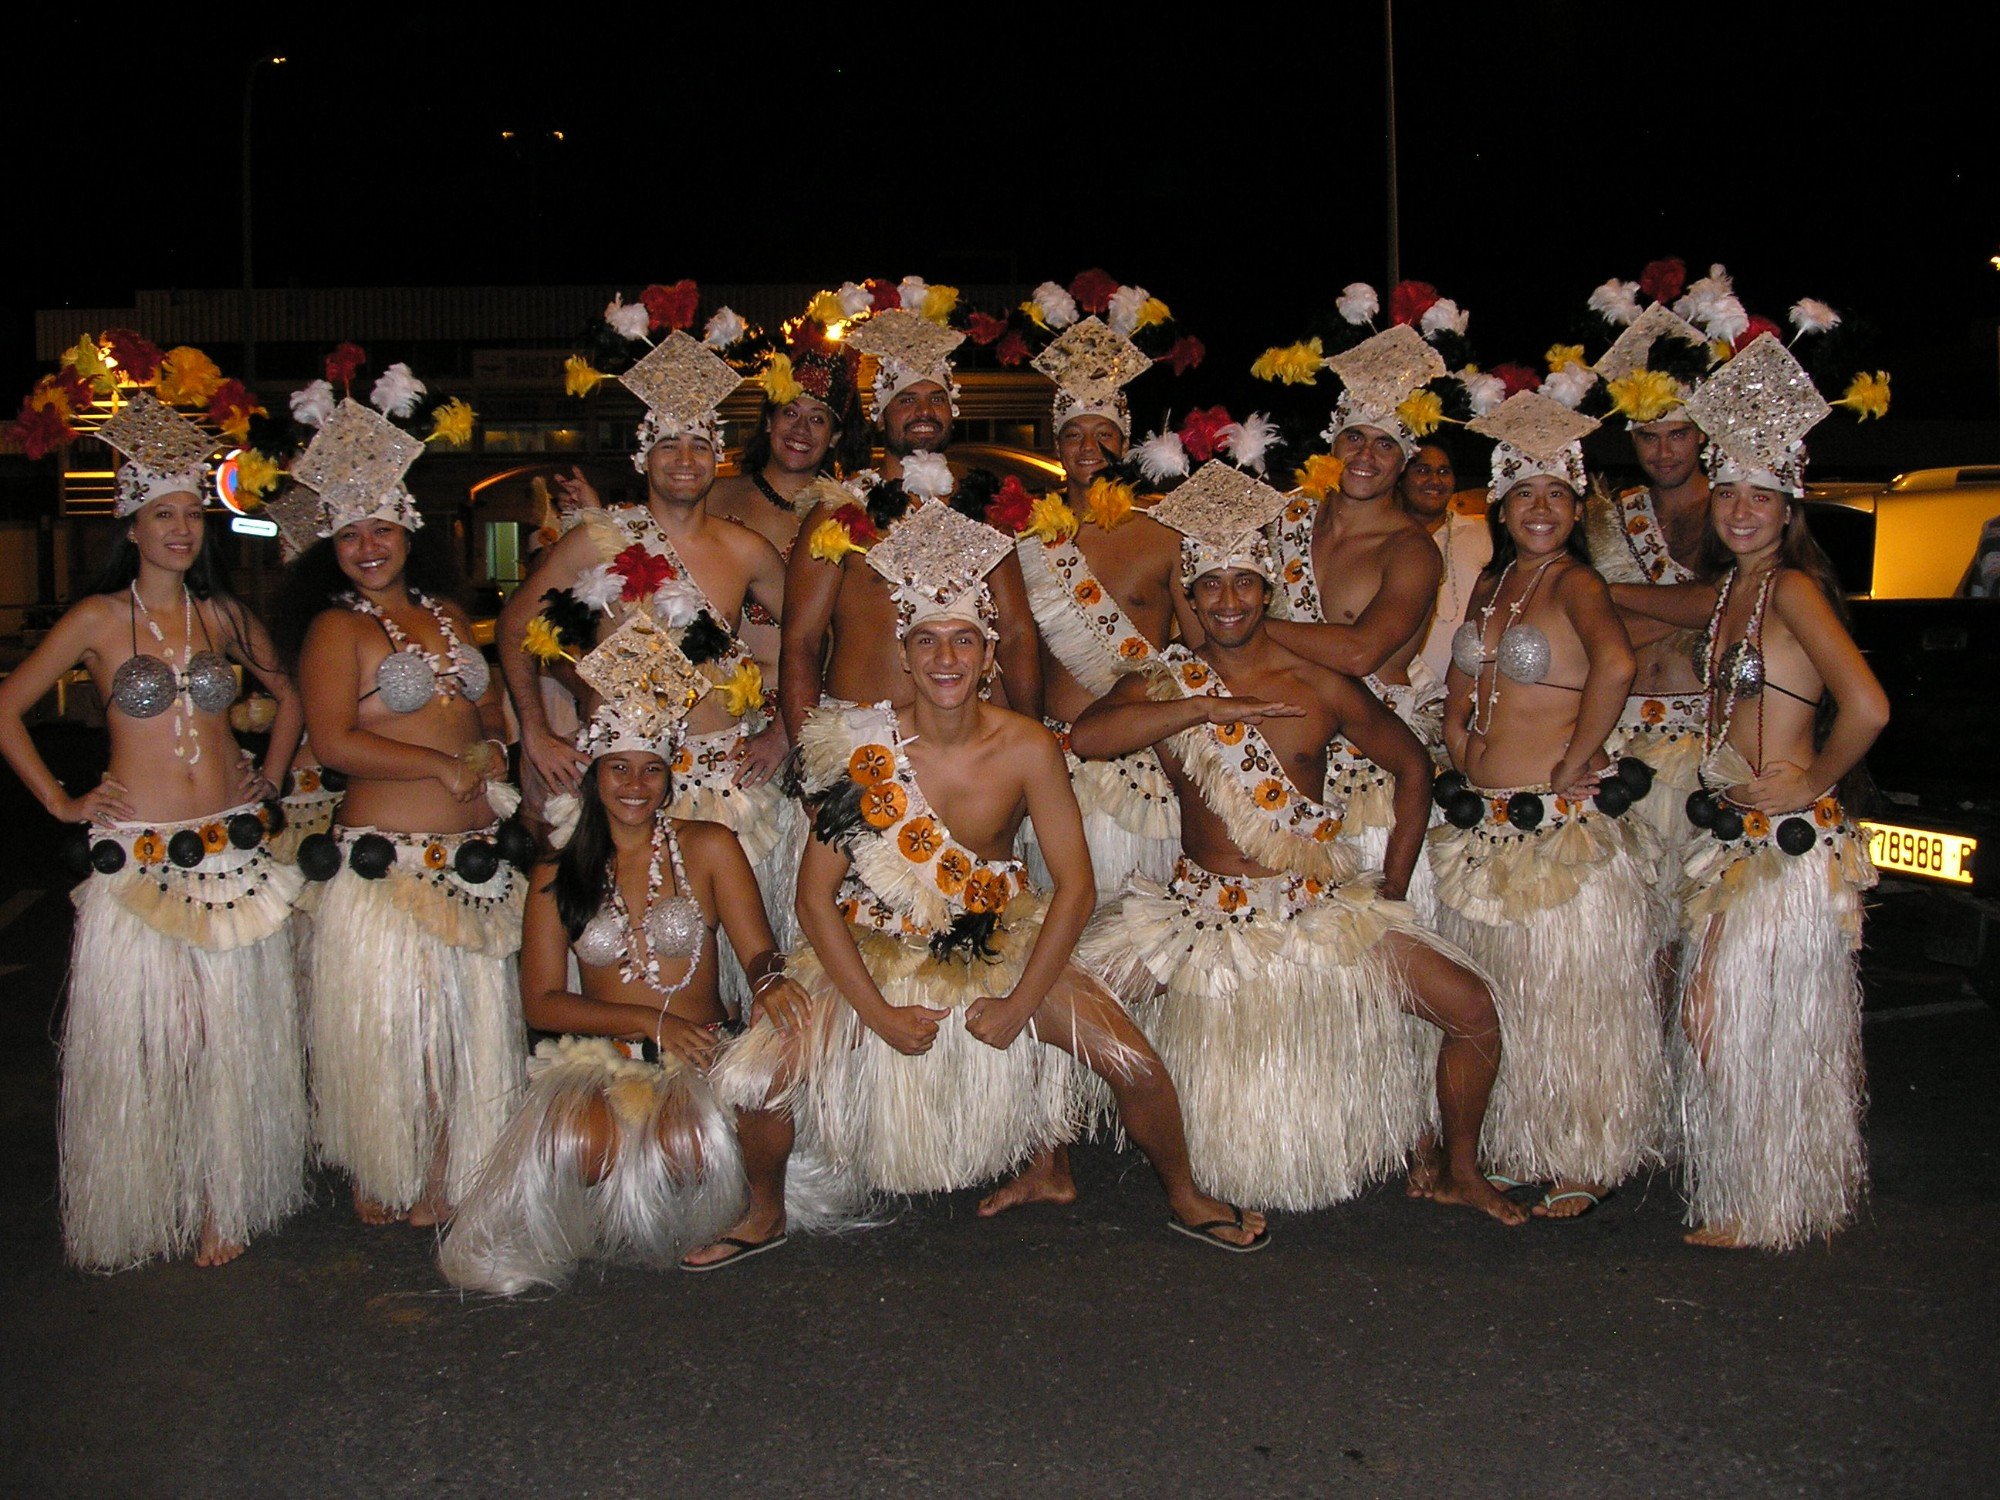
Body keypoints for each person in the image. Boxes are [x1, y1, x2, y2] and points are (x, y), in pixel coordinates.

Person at [703, 499, 1267, 1258]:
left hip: (1003, 933)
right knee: (762, 1078)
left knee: (1133, 1063)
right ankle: (764, 1211)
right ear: (903, 655)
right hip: (879, 941)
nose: (945, 659)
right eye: (928, 642)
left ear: (987, 653)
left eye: (964, 641)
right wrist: (871, 1012)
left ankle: (1186, 1193)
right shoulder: (860, 748)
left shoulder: (1029, 746)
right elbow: (814, 899)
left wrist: (1021, 1002)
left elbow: (1074, 888)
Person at [1074, 462, 1523, 1224]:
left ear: (1267, 590)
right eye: (1209, 584)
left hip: (1313, 905)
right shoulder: (1164, 681)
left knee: (1473, 1009)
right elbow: (1089, 737)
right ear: (1191, 593)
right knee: (1068, 1000)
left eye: (1243, 582)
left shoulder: (1317, 684)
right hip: (1200, 914)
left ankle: (1461, 1168)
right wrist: (1205, 711)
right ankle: (1061, 1165)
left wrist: (1394, 888)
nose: (1226, 600)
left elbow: (1412, 767)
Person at [0, 379, 307, 1269]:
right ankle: (157, 1187)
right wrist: (63, 801)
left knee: (227, 1036)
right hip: (137, 855)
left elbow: (290, 693)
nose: (180, 529)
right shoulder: (98, 618)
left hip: (228, 847)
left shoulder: (221, 613)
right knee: (155, 1038)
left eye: (192, 515)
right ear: (131, 526)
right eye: (162, 514)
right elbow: (7, 707)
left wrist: (271, 775)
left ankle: (222, 1194)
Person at [1627, 329, 1889, 1249]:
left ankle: (1768, 1196)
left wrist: (1809, 782)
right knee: (1725, 1017)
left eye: (1759, 496)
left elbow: (1867, 704)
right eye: (1729, 491)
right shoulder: (1736, 591)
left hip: (1785, 839)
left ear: (1789, 506)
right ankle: (1770, 1189)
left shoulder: (1795, 591)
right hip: (1736, 837)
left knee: (1724, 1017)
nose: (1739, 509)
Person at [440, 677, 814, 1292]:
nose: (635, 786)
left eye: (650, 770)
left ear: (670, 777)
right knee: (582, 1148)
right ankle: (621, 1198)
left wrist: (770, 981)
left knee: (696, 1141)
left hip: (700, 1051)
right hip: (603, 1059)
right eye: (618, 768)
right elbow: (542, 1003)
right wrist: (649, 1022)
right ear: (595, 774)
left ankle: (765, 1211)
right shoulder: (555, 873)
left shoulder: (710, 846)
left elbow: (757, 951)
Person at [279, 388, 524, 1229]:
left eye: (380, 529)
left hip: (468, 857)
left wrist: (492, 748)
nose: (367, 547)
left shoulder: (450, 617)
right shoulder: (335, 631)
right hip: (385, 856)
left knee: (462, 1028)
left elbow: (486, 716)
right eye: (348, 535)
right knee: (391, 1030)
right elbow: (335, 740)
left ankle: (454, 1160)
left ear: (408, 531)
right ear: (331, 548)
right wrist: (437, 764)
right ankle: (387, 1162)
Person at [501, 322, 797, 1009]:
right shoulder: (593, 541)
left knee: (743, 970)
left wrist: (780, 730)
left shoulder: (746, 550)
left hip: (725, 781)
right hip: (621, 787)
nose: (685, 459)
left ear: (717, 455)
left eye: (699, 444)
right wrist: (536, 734)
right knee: (631, 965)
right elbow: (517, 626)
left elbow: (808, 642)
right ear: (644, 455)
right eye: (669, 444)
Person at [981, 314, 1199, 1217]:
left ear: (1128, 443)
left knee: (1150, 954)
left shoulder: (1166, 533)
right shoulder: (1020, 539)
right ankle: (1051, 1149)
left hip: (1145, 774)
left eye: (1103, 435)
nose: (1087, 448)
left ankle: (1163, 1124)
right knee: (1050, 954)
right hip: (1055, 771)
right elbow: (1010, 656)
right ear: (1055, 444)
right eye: (1071, 434)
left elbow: (1197, 650)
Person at [1430, 392, 1663, 1220]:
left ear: (1576, 508)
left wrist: (1574, 756)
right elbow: (1463, 675)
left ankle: (1588, 1154)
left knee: (1576, 1002)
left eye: (1557, 495)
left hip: (1556, 828)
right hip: (1487, 822)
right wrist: (1457, 735)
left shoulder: (1576, 582)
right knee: (1508, 999)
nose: (1540, 509)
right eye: (1525, 494)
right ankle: (1524, 1140)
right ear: (1500, 503)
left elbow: (1615, 665)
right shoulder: (1495, 583)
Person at [779, 302, 1041, 740]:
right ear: (881, 414)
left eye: (936, 398)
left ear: (952, 410)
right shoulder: (839, 512)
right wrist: (808, 760)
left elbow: (1015, 634)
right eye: (906, 400)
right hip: (865, 742)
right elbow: (802, 643)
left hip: (971, 748)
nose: (924, 411)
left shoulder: (988, 512)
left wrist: (1034, 742)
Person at [1579, 290, 1720, 896]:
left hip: (1712, 740)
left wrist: (1615, 593)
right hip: (1623, 737)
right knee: (1635, 921)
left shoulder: (1737, 508)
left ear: (1702, 435)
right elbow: (1599, 636)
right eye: (1648, 438)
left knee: (1703, 908)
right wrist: (1696, 605)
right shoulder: (1612, 515)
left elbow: (1727, 605)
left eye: (1678, 435)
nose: (1663, 451)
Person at [1400, 438, 1492, 685]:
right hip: (1394, 693)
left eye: (1444, 471)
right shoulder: (1383, 538)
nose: (1435, 480)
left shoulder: (1483, 534)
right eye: (1422, 470)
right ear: (1400, 477)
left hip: (1468, 690)